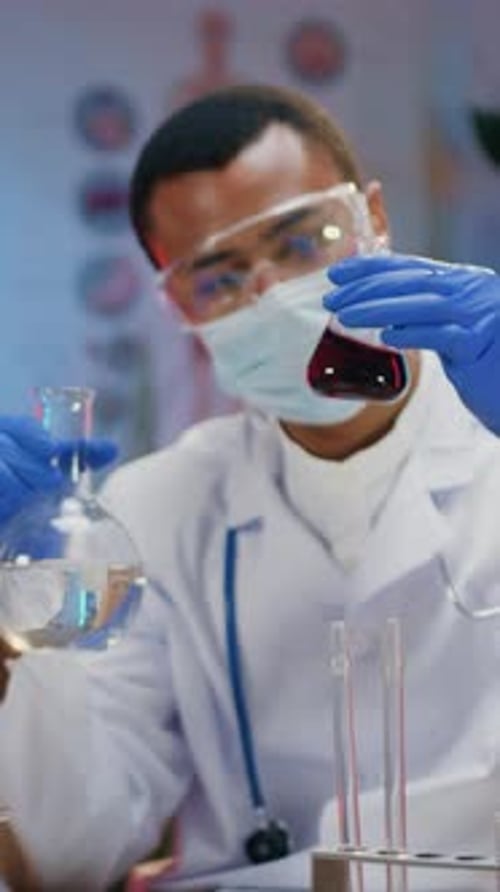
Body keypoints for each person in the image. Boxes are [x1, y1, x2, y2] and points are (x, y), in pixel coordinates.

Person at [0, 84, 499, 891]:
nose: (270, 297)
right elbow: (69, 852)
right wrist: (30, 600)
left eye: (305, 241)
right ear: (179, 309)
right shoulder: (155, 509)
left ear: (375, 216)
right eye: (220, 277)